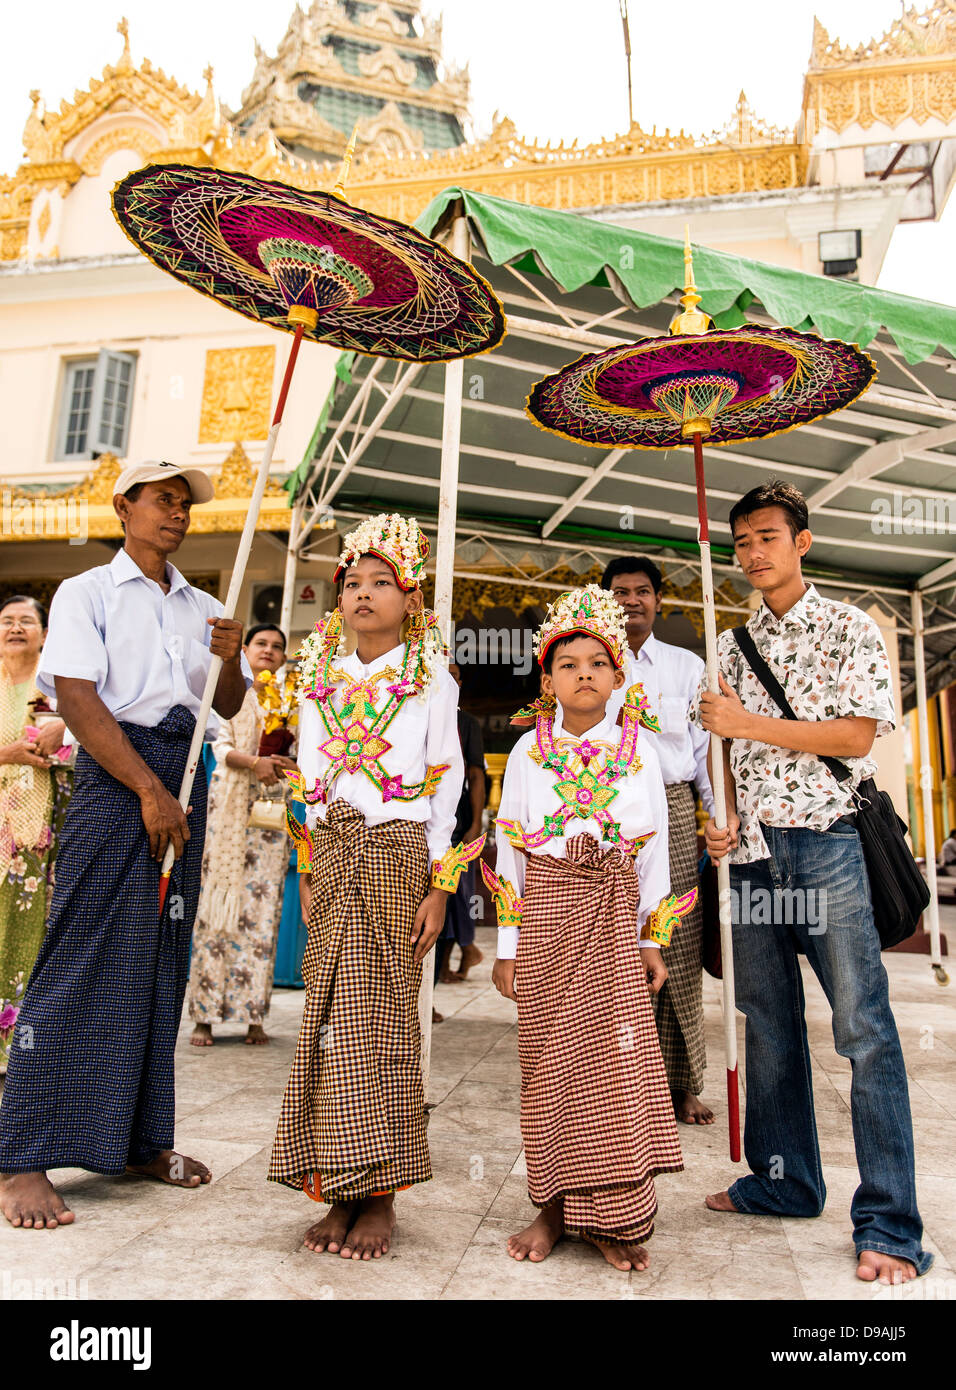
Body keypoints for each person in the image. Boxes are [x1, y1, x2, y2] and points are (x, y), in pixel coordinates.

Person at [0, 460, 250, 1231]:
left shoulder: (204, 605)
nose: (177, 514)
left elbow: (226, 706)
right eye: (163, 500)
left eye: (185, 505)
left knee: (158, 960)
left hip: (187, 779)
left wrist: (231, 655)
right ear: (124, 507)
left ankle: (140, 1139)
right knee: (81, 954)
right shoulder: (86, 593)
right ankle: (20, 1156)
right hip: (120, 782)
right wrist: (147, 790)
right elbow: (75, 696)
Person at [695, 478, 932, 1285]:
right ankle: (786, 1180)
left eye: (766, 536)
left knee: (863, 1029)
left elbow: (858, 736)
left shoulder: (849, 628)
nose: (752, 552)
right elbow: (721, 754)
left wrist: (749, 724)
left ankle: (891, 1224)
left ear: (802, 540)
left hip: (829, 843)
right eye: (741, 541)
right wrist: (715, 818)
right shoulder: (727, 645)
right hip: (754, 850)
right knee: (765, 1020)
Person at [269, 512, 470, 1262]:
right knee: (324, 1020)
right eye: (352, 582)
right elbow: (313, 781)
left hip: (396, 856)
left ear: (411, 598)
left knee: (383, 1024)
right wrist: (309, 868)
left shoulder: (431, 677)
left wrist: (440, 886)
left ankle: (380, 1193)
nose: (363, 594)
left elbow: (447, 784)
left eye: (382, 582)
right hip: (334, 851)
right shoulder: (316, 675)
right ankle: (334, 1184)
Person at [489, 585, 696, 1272]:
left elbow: (657, 848)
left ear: (619, 676)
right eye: (568, 662)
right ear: (546, 679)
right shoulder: (526, 754)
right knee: (547, 1065)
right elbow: (510, 852)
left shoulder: (643, 754)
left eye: (597, 662)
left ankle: (610, 1215)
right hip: (546, 917)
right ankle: (550, 1207)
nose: (583, 672)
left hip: (613, 922)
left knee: (613, 1066)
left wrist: (650, 938)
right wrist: (509, 948)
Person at [603, 556, 716, 1126]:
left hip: (671, 811)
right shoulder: (586, 662)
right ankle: (626, 1083)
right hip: (605, 811)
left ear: (658, 601)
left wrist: (715, 819)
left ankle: (684, 1082)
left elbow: (702, 755)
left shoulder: (685, 666)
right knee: (619, 945)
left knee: (678, 942)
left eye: (642, 592)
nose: (631, 602)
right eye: (619, 592)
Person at [188, 623, 298, 1047]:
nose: (269, 651)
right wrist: (255, 763)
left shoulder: (292, 699)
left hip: (270, 815)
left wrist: (282, 760)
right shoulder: (227, 693)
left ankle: (254, 1016)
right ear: (246, 650)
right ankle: (204, 1017)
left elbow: (299, 747)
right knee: (216, 909)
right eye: (261, 644)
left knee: (263, 909)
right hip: (228, 813)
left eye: (277, 647)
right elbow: (218, 749)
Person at [0, 597, 71, 1004]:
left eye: (25, 621)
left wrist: (62, 733)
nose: (15, 628)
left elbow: (92, 742)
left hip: (48, 828)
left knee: (38, 923)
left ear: (45, 635)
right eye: (7, 621)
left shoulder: (62, 685)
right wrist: (8, 753)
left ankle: (26, 1050)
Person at [434, 662, 486, 986]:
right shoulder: (420, 713)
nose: (448, 682)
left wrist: (475, 823)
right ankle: (465, 952)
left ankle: (454, 958)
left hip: (457, 818)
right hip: (422, 813)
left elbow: (477, 775)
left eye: (454, 676)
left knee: (455, 893)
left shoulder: (467, 724)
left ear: (461, 682)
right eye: (443, 674)